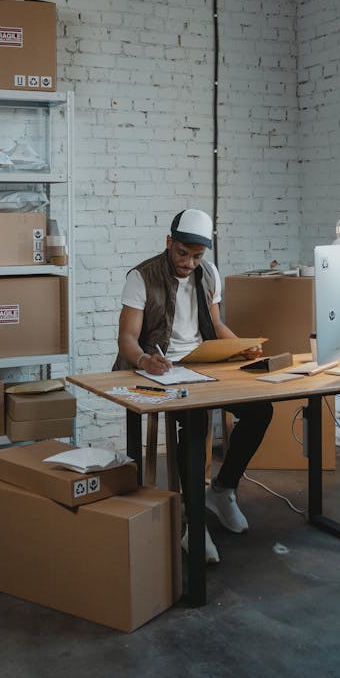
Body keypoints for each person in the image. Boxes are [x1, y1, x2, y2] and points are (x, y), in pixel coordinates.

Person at [114, 208, 273, 563]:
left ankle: (224, 489)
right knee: (196, 419)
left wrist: (242, 345)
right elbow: (126, 338)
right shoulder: (141, 277)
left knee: (261, 410)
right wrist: (144, 360)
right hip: (160, 367)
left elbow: (216, 326)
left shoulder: (208, 274)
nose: (188, 263)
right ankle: (192, 520)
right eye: (182, 253)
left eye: (197, 256)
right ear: (169, 242)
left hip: (204, 363)